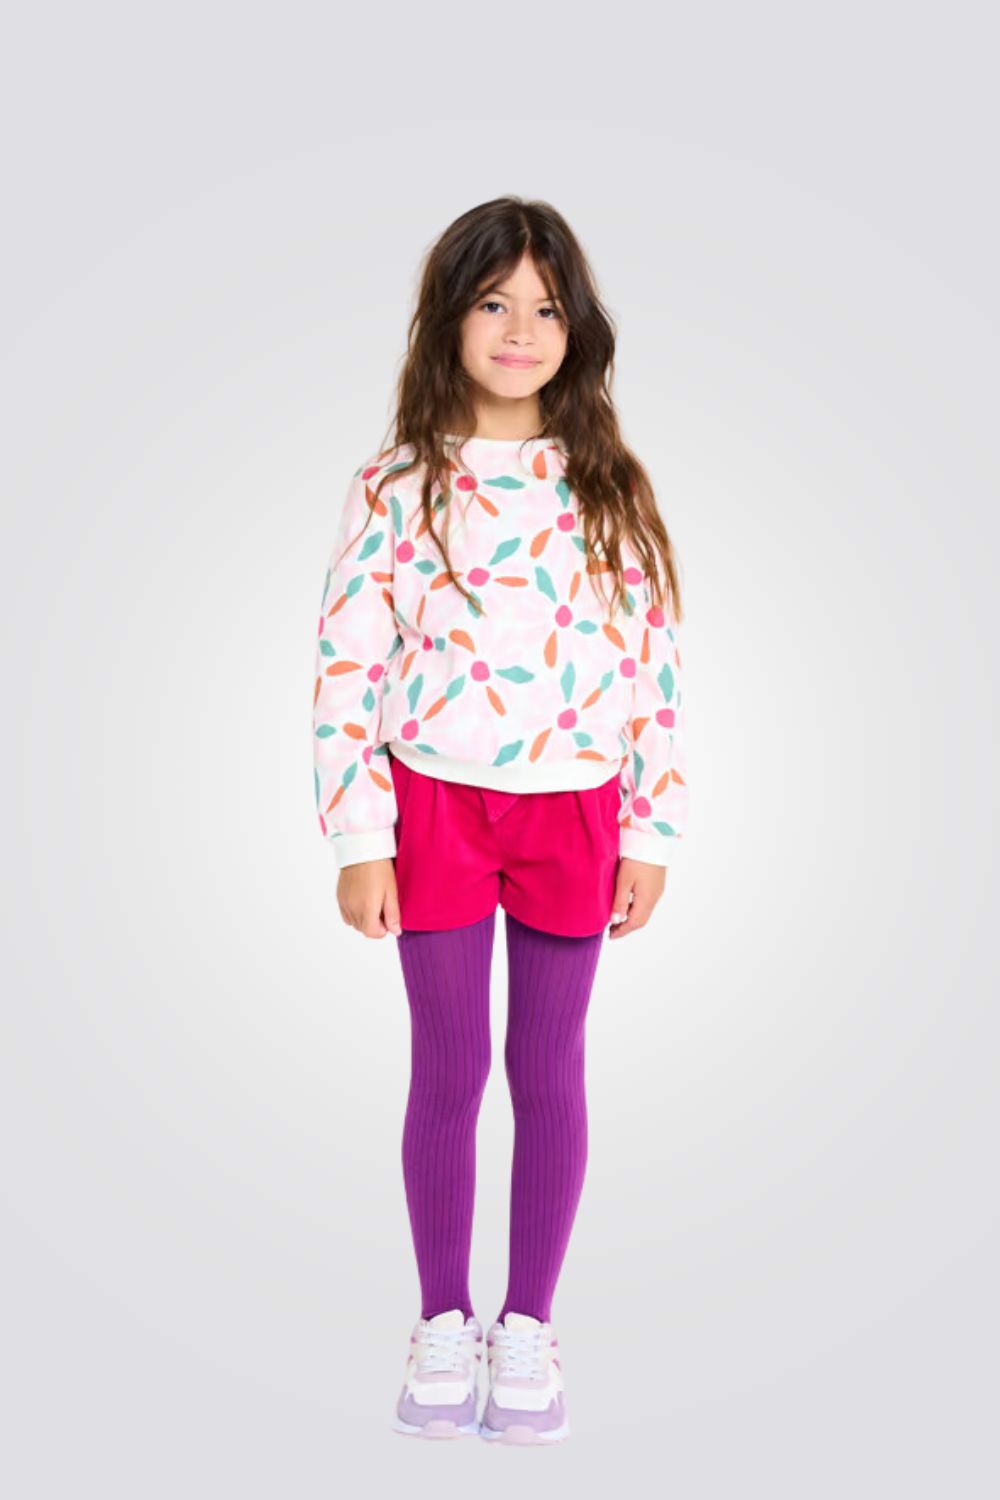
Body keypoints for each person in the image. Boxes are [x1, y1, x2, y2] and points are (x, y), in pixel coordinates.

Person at [310, 196, 690, 1444]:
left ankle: (527, 1324)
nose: (520, 329)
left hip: (575, 808)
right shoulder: (397, 484)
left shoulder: (606, 483)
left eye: (545, 307)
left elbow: (652, 665)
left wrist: (650, 831)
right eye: (493, 302)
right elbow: (348, 664)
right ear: (449, 319)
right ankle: (441, 1318)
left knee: (547, 1070)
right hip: (434, 805)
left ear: (576, 330)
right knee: (450, 1069)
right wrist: (361, 838)